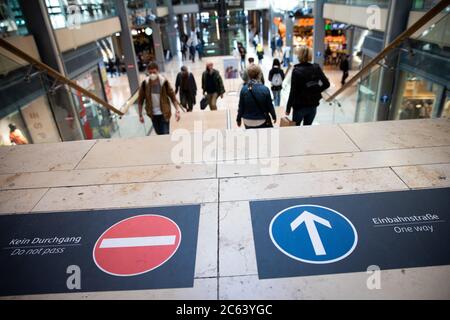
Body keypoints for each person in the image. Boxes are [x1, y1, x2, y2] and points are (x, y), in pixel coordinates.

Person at [286, 46, 330, 126]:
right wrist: (316, 90)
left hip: (299, 106)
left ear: (299, 56)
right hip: (312, 105)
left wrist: (288, 108)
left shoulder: (296, 71)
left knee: (295, 128)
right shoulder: (316, 68)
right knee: (307, 128)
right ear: (310, 55)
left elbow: (293, 91)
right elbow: (326, 84)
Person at [138, 62, 182, 135]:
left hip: (164, 113)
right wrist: (140, 115)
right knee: (158, 133)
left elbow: (172, 97)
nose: (152, 74)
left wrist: (177, 110)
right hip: (153, 114)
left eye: (154, 72)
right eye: (150, 72)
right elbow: (140, 100)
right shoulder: (145, 84)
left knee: (165, 134)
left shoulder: (164, 82)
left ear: (158, 71)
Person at [237, 64, 276, 129]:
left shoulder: (244, 89)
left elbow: (241, 106)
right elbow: (270, 105)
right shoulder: (265, 89)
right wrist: (274, 116)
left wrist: (238, 119)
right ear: (259, 75)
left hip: (247, 120)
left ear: (248, 75)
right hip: (261, 120)